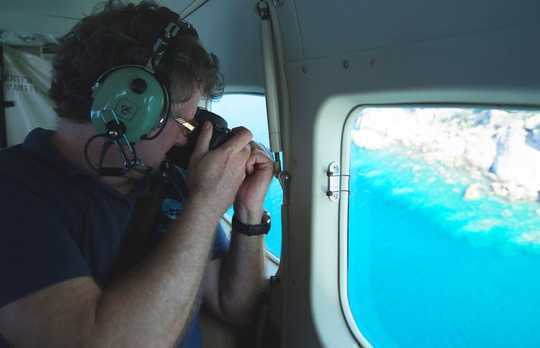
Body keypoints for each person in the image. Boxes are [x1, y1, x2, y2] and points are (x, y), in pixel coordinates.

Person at [0, 1, 273, 347]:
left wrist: (247, 215)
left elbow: (236, 308)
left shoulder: (170, 183)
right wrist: (205, 206)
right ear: (125, 109)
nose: (188, 137)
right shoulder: (14, 192)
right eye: (184, 122)